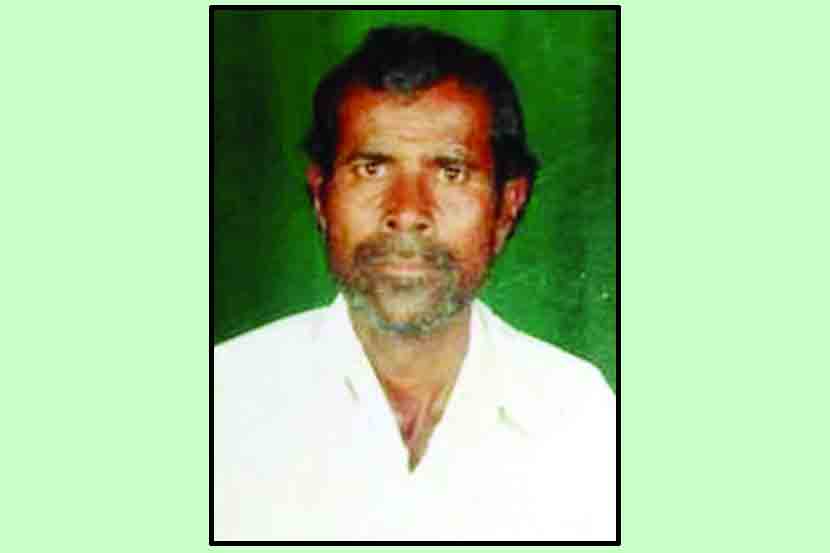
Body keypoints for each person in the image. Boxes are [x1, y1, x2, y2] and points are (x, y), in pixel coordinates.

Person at [213, 25, 616, 541]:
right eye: (372, 168)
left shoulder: (579, 415)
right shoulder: (226, 400)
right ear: (320, 198)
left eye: (451, 172)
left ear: (507, 208)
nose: (407, 211)